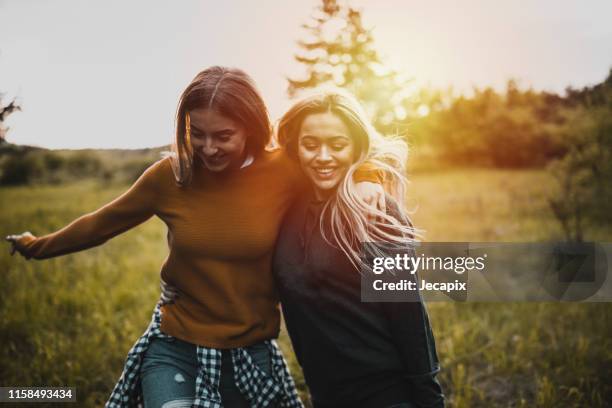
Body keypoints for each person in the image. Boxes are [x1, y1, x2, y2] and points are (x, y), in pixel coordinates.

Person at [5, 67, 385, 408]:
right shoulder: (169, 176)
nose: (208, 148)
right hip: (175, 344)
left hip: (251, 351)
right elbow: (100, 223)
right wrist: (35, 246)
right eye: (196, 134)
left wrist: (369, 176)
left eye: (223, 136)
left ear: (251, 128)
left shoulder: (282, 170)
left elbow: (340, 154)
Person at [273, 89, 445, 408]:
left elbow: (407, 311)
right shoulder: (285, 206)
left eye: (337, 145)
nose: (323, 156)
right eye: (311, 145)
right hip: (326, 396)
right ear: (295, 146)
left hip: (386, 395)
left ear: (355, 148)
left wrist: (429, 396)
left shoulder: (372, 210)